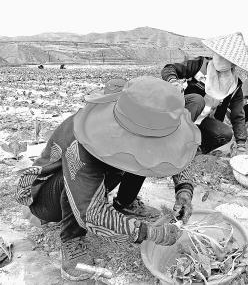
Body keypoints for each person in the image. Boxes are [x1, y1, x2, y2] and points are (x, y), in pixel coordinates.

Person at [15, 76, 201, 281]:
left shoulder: (137, 118)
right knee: (76, 182)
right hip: (45, 196)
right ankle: (71, 241)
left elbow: (173, 151)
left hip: (89, 181)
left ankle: (123, 204)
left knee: (139, 159)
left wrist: (184, 190)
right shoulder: (82, 141)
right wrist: (149, 232)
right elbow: (92, 213)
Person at [161, 32, 248, 155]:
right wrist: (174, 82)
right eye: (220, 55)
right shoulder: (200, 65)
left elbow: (238, 115)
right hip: (185, 112)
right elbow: (169, 69)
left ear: (233, 63)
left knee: (224, 133)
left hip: (204, 121)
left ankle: (196, 152)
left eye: (226, 58)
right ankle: (173, 143)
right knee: (198, 100)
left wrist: (241, 144)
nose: (221, 60)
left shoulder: (234, 86)